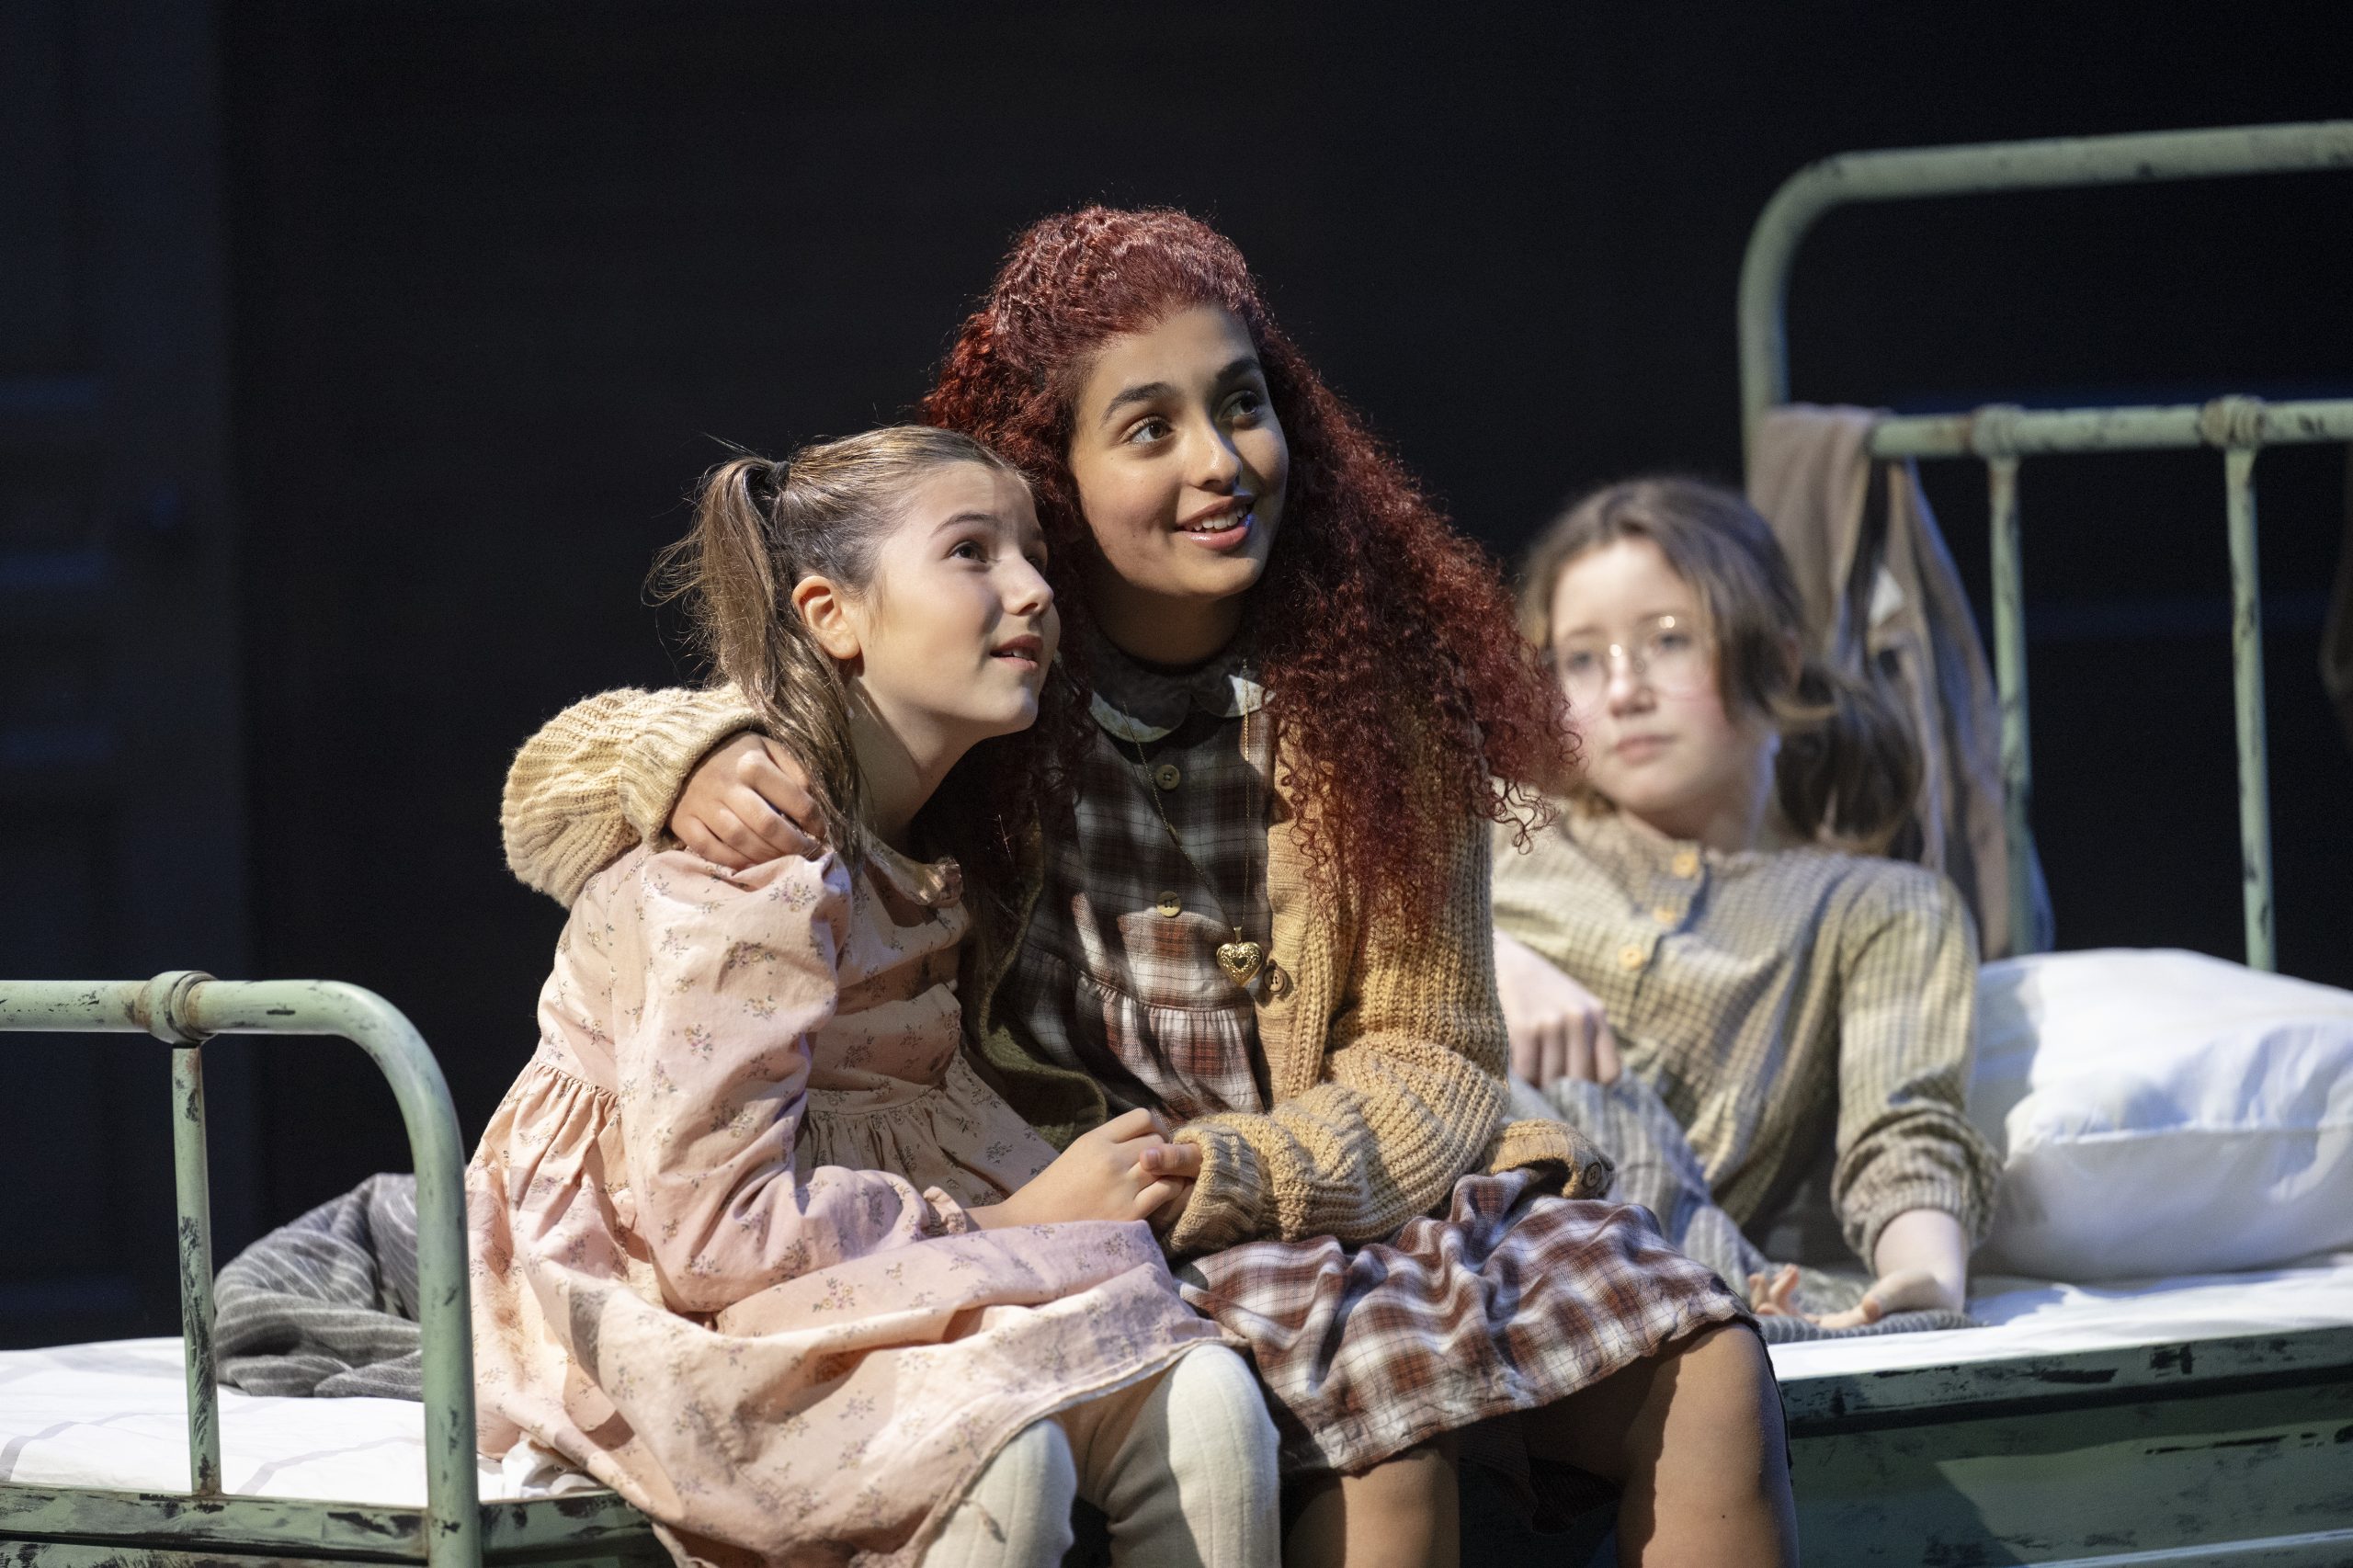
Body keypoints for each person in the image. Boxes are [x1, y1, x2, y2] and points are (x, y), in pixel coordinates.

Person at [497, 210, 1798, 1567]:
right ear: (1051, 472)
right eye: (1150, 428)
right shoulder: (993, 673)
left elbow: (1437, 1056)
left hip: (1304, 1188)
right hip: (1082, 1210)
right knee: (1387, 1440)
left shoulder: (1379, 712)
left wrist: (1232, 1168)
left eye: (1243, 407)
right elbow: (576, 783)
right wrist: (680, 752)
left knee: (1706, 1352)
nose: (1221, 461)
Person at [468, 426, 1279, 1568]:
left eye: (1035, 552)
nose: (1035, 589)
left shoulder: (927, 837)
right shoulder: (754, 865)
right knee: (1000, 1454)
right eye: (971, 552)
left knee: (1204, 1399)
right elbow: (713, 1237)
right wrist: (1014, 1223)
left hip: (852, 1249)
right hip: (662, 1291)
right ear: (831, 614)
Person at [1489, 476, 2001, 1329]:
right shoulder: (1500, 827)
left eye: (1668, 641)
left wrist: (1923, 1284)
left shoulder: (1873, 909)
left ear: (1777, 654)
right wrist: (1493, 963)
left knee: (1603, 1130)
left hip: (1608, 1258)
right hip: (1425, 1174)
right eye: (1582, 659)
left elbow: (1907, 1124)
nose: (1623, 692)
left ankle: (1718, 1294)